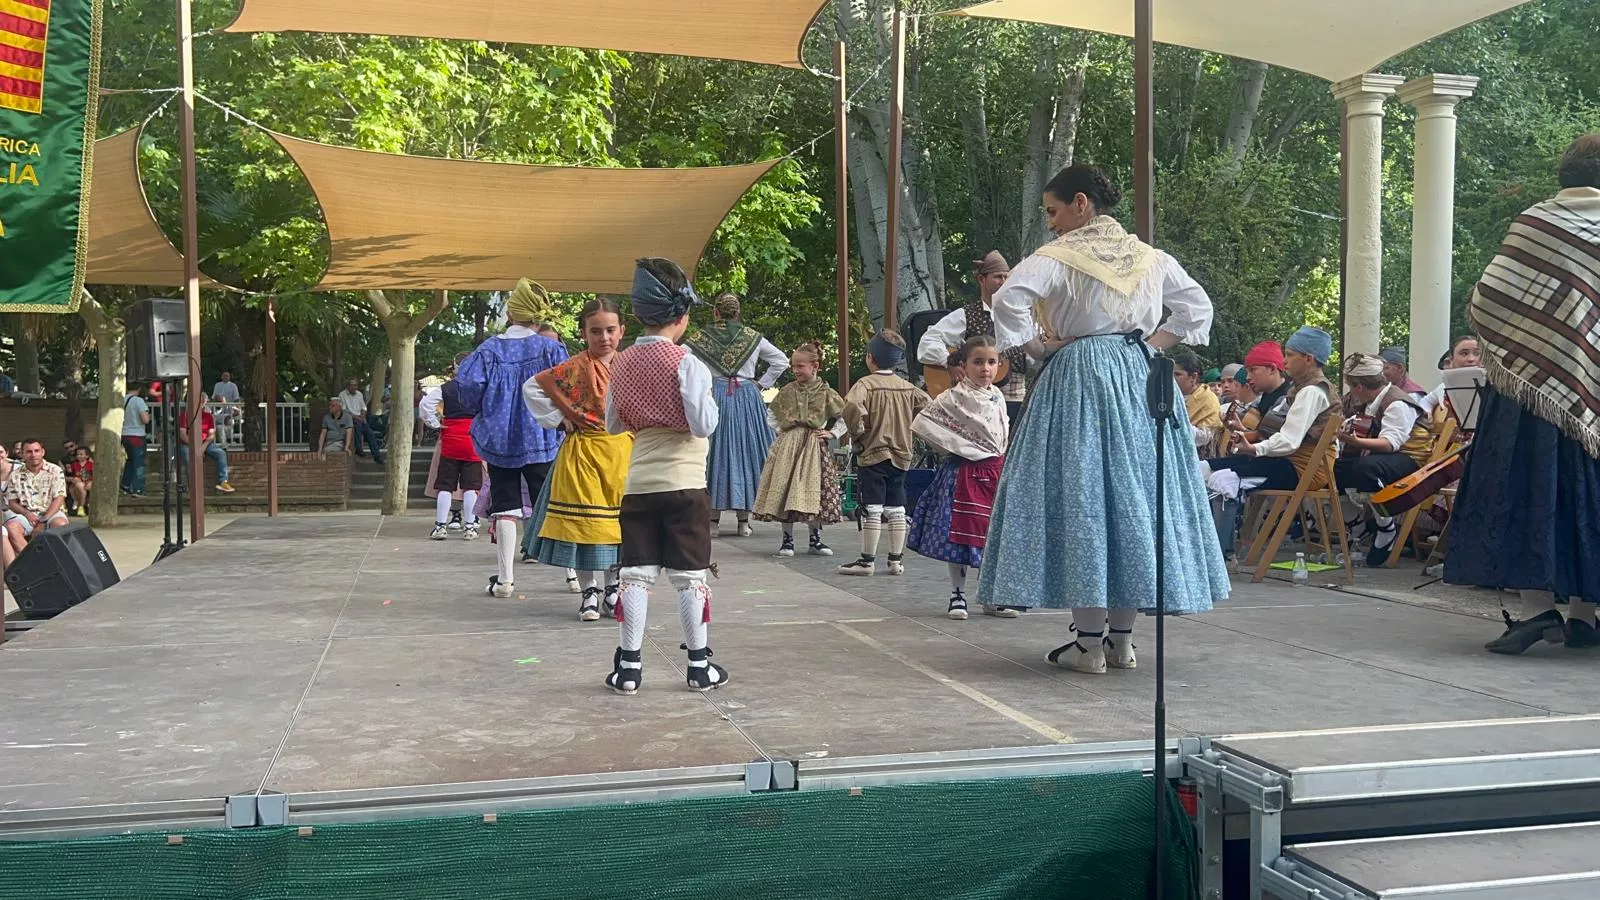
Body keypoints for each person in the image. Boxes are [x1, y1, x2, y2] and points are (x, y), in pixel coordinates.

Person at [976, 163, 1229, 672]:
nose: (1050, 222)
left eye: (1053, 210)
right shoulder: (1150, 257)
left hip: (1081, 372)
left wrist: (1038, 347)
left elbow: (1007, 300)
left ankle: (1089, 644)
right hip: (1140, 373)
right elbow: (1196, 308)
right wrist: (1149, 343)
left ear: (1081, 204)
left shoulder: (1057, 256)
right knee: (1134, 500)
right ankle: (1122, 641)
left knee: (1086, 498)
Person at [1446, 134, 1600, 655]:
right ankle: (1585, 617)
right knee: (1589, 497)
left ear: (1566, 174)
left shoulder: (1536, 223)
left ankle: (1538, 612)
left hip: (1530, 396)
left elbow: (1487, 299)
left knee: (1528, 494)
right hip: (1595, 395)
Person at [602, 257, 726, 694]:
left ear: (637, 314)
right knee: (690, 577)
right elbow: (702, 423)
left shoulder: (621, 363)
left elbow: (613, 424)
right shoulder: (687, 363)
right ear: (683, 316)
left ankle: (629, 669)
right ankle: (698, 666)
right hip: (685, 485)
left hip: (638, 486)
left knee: (635, 574)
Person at [456, 279, 570, 598]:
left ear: (510, 312)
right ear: (537, 316)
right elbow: (568, 387)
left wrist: (485, 408)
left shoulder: (490, 349)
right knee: (550, 502)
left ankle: (505, 580)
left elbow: (467, 387)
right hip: (542, 437)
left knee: (505, 504)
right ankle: (574, 576)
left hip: (499, 438)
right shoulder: (550, 348)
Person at [523, 299, 632, 621]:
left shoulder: (630, 365)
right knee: (585, 527)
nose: (604, 338)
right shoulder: (573, 368)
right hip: (583, 452)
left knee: (619, 526)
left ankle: (613, 589)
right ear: (584, 333)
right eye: (596, 331)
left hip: (623, 452)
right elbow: (533, 387)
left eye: (610, 330)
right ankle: (589, 592)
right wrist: (561, 418)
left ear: (621, 331)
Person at [908, 335, 1009, 620]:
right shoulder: (953, 398)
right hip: (964, 471)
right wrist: (960, 448)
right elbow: (927, 425)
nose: (985, 369)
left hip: (995, 470)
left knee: (992, 535)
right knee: (961, 535)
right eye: (978, 362)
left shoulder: (997, 395)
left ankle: (989, 594)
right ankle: (957, 594)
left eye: (991, 362)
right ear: (963, 365)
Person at [685, 292, 786, 537]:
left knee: (714, 454)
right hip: (747, 396)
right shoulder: (753, 337)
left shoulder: (700, 338)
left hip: (715, 395)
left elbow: (679, 359)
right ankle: (744, 521)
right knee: (746, 453)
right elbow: (781, 361)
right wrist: (760, 384)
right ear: (737, 312)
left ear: (715, 312)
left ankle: (713, 521)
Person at [838, 330, 929, 577]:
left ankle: (867, 561)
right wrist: (914, 431)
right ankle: (895, 561)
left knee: (873, 507)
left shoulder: (865, 385)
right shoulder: (907, 388)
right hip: (901, 455)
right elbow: (929, 407)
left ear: (870, 357)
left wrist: (857, 432)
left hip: (872, 452)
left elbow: (852, 406)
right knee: (897, 506)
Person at [1206, 328, 1340, 492]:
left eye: (1290, 355)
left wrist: (1254, 448)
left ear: (1308, 359)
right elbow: (1272, 432)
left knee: (1222, 480)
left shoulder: (1312, 391)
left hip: (1302, 469)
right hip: (1286, 461)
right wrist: (1244, 433)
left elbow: (1290, 441)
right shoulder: (1300, 390)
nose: (1284, 361)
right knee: (1204, 468)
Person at [1334, 353, 1434, 566]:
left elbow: (1390, 443)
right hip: (1389, 458)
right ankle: (1356, 522)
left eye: (1351, 387)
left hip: (1412, 460)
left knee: (1366, 468)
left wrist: (1352, 440)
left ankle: (1386, 527)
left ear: (1359, 387)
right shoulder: (1372, 402)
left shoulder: (1397, 402)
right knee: (1333, 469)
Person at [752, 341, 846, 558]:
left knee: (812, 491)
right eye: (794, 366)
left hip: (813, 446)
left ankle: (815, 539)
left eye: (800, 366)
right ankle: (787, 540)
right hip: (788, 445)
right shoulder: (787, 391)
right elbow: (772, 414)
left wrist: (832, 433)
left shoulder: (826, 392)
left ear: (815, 366)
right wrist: (783, 432)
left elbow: (845, 416)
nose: (795, 371)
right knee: (785, 489)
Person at [916, 251, 1032, 425]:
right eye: (997, 277)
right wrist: (950, 362)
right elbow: (928, 341)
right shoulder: (966, 315)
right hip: (975, 403)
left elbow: (1032, 359)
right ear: (981, 279)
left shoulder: (1021, 317)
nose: (1003, 282)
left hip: (1015, 400)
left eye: (1006, 277)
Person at [419, 353, 485, 542]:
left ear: (454, 367)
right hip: (472, 440)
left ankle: (440, 526)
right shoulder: (480, 388)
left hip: (450, 440)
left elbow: (425, 406)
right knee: (471, 487)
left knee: (445, 486)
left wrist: (434, 423)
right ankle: (470, 527)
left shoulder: (445, 388)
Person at [4, 438, 69, 555]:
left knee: (61, 525)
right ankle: (32, 560)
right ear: (22, 454)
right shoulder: (15, 475)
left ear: (43, 452)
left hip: (51, 513)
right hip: (26, 514)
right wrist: (27, 514)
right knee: (11, 527)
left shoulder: (55, 470)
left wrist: (44, 520)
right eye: (29, 452)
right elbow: (12, 502)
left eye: (36, 451)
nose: (33, 455)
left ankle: (53, 560)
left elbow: (59, 498)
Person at [1173, 350, 1225, 459]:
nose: (1172, 379)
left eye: (1177, 374)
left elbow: (1205, 437)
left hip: (1199, 457)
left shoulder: (1208, 399)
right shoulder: (1171, 394)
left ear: (1193, 377)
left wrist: (1175, 424)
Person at [177, 399, 236, 493]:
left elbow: (211, 435)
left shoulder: (208, 416)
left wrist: (203, 447)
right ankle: (191, 485)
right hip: (188, 444)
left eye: (202, 402)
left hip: (205, 443)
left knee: (221, 454)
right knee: (189, 458)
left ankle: (223, 482)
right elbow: (183, 435)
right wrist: (195, 447)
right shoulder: (184, 415)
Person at [336, 378, 384, 464]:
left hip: (360, 418)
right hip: (349, 418)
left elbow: (363, 407)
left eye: (356, 385)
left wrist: (363, 415)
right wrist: (355, 417)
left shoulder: (359, 394)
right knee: (357, 426)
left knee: (370, 433)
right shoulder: (342, 395)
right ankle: (358, 448)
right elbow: (344, 410)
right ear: (348, 386)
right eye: (352, 385)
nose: (355, 387)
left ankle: (377, 456)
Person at [120, 384, 151, 496]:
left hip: (124, 434)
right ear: (139, 388)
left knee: (130, 460)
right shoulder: (138, 401)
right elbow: (145, 419)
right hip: (137, 435)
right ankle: (138, 489)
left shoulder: (121, 400)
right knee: (139, 462)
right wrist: (150, 416)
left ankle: (125, 485)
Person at [65, 446, 94, 517]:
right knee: (80, 485)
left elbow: (95, 475)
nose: (78, 456)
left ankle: (86, 504)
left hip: (88, 482)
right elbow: (67, 476)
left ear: (87, 456)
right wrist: (72, 478)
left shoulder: (91, 464)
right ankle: (81, 507)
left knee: (90, 486)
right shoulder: (73, 464)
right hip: (76, 485)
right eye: (77, 454)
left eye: (81, 454)